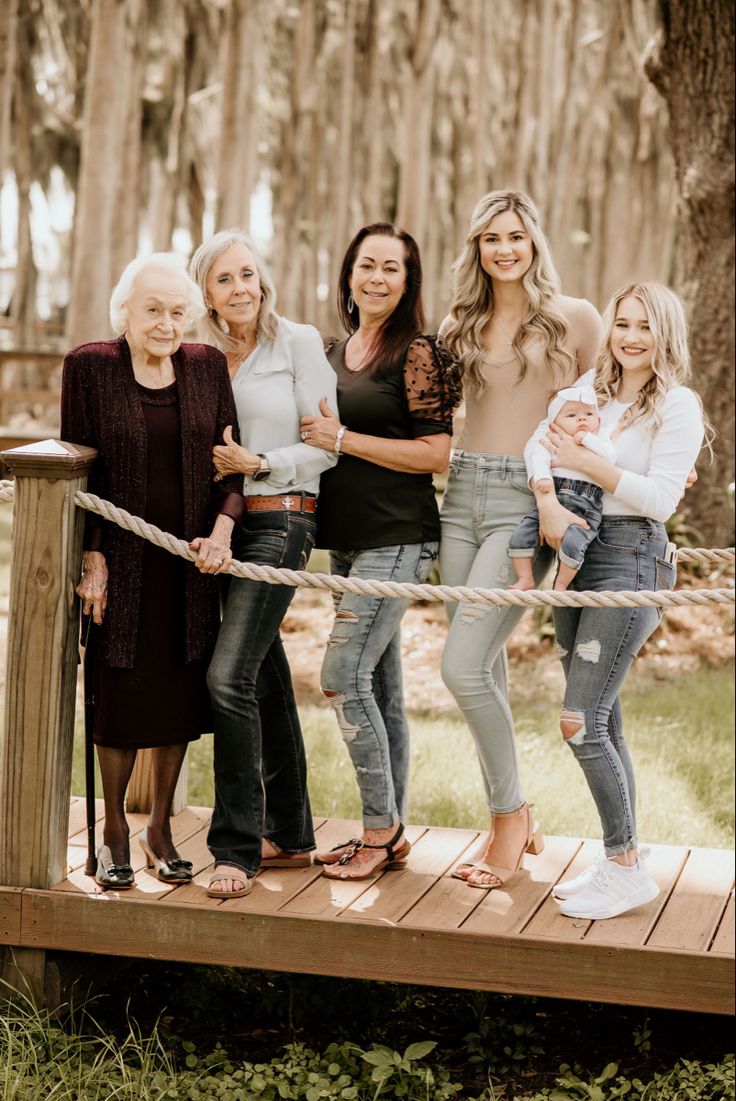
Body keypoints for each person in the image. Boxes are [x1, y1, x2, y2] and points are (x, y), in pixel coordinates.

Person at [61, 253, 243, 890]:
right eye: (153, 310)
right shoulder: (91, 367)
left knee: (178, 695)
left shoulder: (206, 366)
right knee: (120, 695)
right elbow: (76, 469)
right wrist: (92, 556)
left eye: (177, 311)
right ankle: (112, 826)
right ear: (126, 313)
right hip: (121, 566)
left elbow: (231, 467)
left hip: (191, 565)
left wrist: (224, 529)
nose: (167, 323)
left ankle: (159, 828)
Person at [439, 189, 604, 890]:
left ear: (534, 241)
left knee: (461, 665)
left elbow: (610, 402)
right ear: (476, 248)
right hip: (460, 495)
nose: (504, 248)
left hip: (525, 499)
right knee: (485, 665)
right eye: (490, 238)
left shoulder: (574, 319)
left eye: (515, 235)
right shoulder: (458, 325)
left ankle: (509, 818)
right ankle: (511, 813)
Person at [539, 282, 708, 919]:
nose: (631, 337)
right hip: (577, 555)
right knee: (604, 719)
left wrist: (587, 460)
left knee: (578, 721)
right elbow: (549, 453)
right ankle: (620, 856)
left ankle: (627, 869)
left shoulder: (679, 405)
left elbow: (661, 500)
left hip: (632, 560)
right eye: (622, 324)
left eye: (645, 326)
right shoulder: (594, 394)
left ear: (665, 335)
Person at [299, 222, 462, 880]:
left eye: (391, 268)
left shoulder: (417, 352)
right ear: (348, 273)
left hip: (399, 535)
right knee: (383, 690)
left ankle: (375, 830)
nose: (376, 277)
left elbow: (438, 453)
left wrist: (343, 440)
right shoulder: (337, 351)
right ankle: (390, 833)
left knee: (341, 676)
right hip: (350, 541)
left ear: (408, 281)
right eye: (366, 264)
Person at [189, 229, 338, 899]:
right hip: (221, 526)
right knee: (265, 677)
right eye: (225, 279)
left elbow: (328, 446)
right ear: (207, 293)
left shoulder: (298, 342)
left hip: (281, 516)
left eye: (247, 273)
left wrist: (262, 463)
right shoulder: (200, 354)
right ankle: (293, 832)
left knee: (227, 676)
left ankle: (235, 848)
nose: (241, 287)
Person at [508, 384, 616, 591]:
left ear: (598, 419)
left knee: (575, 544)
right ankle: (525, 578)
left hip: (586, 502)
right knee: (521, 535)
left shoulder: (600, 437)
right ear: (554, 423)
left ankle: (561, 584)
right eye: (572, 415)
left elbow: (610, 457)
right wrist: (542, 477)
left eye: (588, 414)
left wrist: (588, 440)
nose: (582, 419)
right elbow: (538, 454)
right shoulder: (552, 438)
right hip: (554, 494)